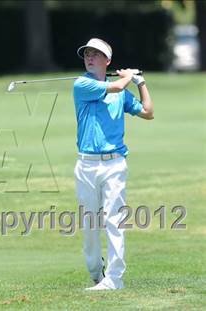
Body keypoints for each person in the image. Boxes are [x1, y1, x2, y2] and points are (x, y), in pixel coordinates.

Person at [72, 38, 154, 291]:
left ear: (107, 61)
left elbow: (148, 112)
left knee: (115, 222)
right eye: (87, 53)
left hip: (114, 164)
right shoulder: (82, 84)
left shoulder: (120, 92)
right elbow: (117, 87)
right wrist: (128, 77)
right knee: (89, 226)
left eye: (97, 54)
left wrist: (141, 83)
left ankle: (114, 279)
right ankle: (97, 272)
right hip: (86, 165)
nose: (90, 57)